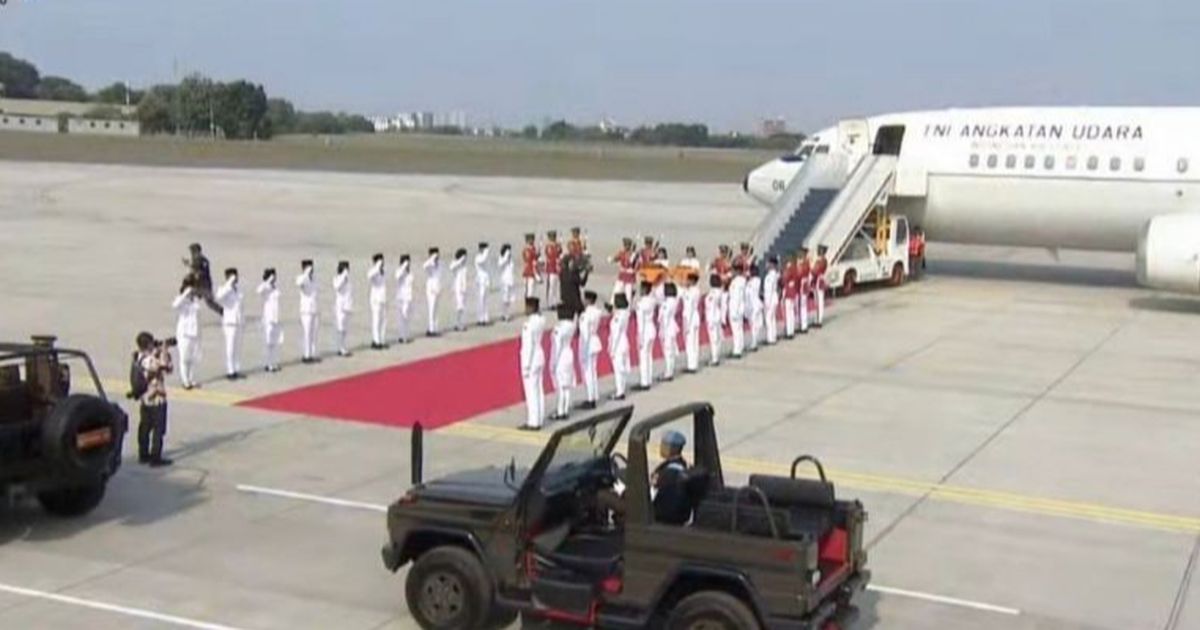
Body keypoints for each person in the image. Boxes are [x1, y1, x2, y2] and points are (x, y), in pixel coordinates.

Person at [134, 332, 174, 467]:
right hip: (156, 398)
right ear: (149, 344)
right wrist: (164, 350)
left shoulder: (138, 357)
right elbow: (167, 367)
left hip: (145, 399)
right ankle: (155, 457)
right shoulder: (149, 360)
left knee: (145, 427)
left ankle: (143, 454)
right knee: (158, 429)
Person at [518, 297, 546, 431]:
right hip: (540, 356)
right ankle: (539, 418)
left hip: (532, 359)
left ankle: (533, 421)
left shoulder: (528, 325)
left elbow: (528, 346)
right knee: (539, 390)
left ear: (531, 308)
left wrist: (526, 366)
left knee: (531, 392)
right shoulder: (540, 320)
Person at [651, 430, 691, 524]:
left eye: (664, 444)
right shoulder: (682, 466)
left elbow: (653, 491)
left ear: (672, 448)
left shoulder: (670, 472)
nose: (661, 447)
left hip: (662, 517)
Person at [172, 277, 203, 389]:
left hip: (195, 332)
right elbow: (175, 305)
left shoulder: (195, 300)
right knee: (184, 358)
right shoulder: (181, 299)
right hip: (184, 333)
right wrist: (185, 293)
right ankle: (185, 381)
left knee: (193, 358)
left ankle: (191, 379)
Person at [214, 267, 244, 380]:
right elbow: (219, 297)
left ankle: (236, 369)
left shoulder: (238, 289)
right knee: (230, 347)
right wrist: (229, 284)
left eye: (236, 276)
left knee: (237, 347)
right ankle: (230, 370)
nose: (236, 278)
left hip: (238, 321)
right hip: (229, 322)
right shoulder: (224, 289)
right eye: (233, 276)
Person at [550, 304, 577, 421]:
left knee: (561, 386)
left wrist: (552, 363)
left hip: (561, 357)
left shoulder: (559, 328)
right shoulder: (572, 325)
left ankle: (560, 411)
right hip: (569, 354)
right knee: (567, 385)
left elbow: (556, 347)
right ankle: (565, 409)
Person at [182, 242, 223, 316]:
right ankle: (223, 312)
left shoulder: (198, 259)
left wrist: (188, 265)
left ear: (196, 251)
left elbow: (197, 271)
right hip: (206, 284)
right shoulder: (203, 259)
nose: (191, 253)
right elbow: (197, 268)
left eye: (192, 251)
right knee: (210, 303)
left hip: (201, 285)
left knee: (188, 295)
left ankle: (189, 315)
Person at [579, 291, 603, 409]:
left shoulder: (586, 315)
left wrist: (583, 351)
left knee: (588, 373)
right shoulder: (597, 312)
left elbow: (585, 333)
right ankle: (594, 395)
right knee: (593, 372)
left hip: (588, 345)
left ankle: (590, 398)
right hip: (595, 341)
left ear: (588, 300)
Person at [256, 268, 283, 372]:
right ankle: (268, 363)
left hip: (276, 317)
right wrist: (267, 282)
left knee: (275, 342)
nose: (275, 278)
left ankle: (274, 363)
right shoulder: (265, 287)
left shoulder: (275, 288)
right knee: (268, 342)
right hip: (269, 318)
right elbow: (259, 290)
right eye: (273, 275)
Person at [607, 294, 632, 400]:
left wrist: (612, 348)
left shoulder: (618, 317)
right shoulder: (625, 313)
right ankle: (621, 388)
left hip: (618, 345)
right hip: (624, 342)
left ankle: (619, 392)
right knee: (622, 368)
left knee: (618, 369)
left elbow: (615, 334)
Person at [296, 259, 320, 363]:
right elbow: (299, 283)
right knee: (307, 333)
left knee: (313, 333)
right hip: (306, 310)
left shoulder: (313, 278)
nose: (312, 269)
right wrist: (306, 273)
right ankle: (306, 356)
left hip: (314, 309)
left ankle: (312, 354)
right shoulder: (302, 278)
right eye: (309, 267)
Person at [635, 281, 657, 390]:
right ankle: (649, 378)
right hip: (651, 328)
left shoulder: (641, 304)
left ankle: (644, 382)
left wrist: (640, 337)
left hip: (645, 331)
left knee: (643, 357)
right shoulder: (652, 300)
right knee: (649, 356)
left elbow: (640, 322)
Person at [659, 282, 680, 381]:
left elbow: (665, 318)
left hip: (667, 329)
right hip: (672, 327)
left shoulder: (667, 303)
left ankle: (668, 373)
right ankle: (670, 370)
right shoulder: (674, 300)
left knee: (668, 351)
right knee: (670, 351)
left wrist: (663, 331)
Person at [332, 260, 354, 357]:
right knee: (340, 328)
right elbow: (337, 287)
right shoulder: (337, 278)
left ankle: (343, 347)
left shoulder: (348, 279)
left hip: (347, 306)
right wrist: (343, 276)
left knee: (345, 329)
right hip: (340, 307)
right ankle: (340, 348)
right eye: (346, 268)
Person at [367, 253, 388, 350]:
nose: (382, 262)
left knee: (383, 321)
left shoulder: (383, 271)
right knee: (376, 320)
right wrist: (377, 267)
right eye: (380, 260)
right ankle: (376, 341)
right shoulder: (373, 271)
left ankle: (382, 340)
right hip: (375, 300)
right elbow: (369, 276)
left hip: (383, 299)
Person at [682, 272, 702, 373]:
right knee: (695, 342)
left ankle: (691, 365)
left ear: (692, 281)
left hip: (690, 318)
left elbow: (689, 308)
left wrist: (687, 324)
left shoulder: (692, 292)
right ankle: (694, 363)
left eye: (688, 280)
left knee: (690, 342)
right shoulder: (695, 290)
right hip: (695, 317)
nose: (687, 281)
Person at [727, 263, 747, 358]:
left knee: (736, 330)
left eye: (733, 270)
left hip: (736, 308)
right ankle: (740, 346)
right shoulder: (740, 281)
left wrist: (735, 311)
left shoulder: (738, 282)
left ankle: (737, 350)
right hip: (738, 307)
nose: (732, 272)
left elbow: (737, 298)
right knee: (739, 329)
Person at [704, 274, 724, 366]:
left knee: (713, 338)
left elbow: (710, 306)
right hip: (718, 316)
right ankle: (717, 355)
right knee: (718, 337)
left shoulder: (712, 294)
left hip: (712, 317)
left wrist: (709, 319)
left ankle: (714, 358)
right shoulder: (720, 292)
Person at [394, 254, 414, 343]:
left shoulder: (410, 273)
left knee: (407, 317)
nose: (408, 264)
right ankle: (402, 336)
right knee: (402, 317)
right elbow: (397, 276)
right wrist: (403, 267)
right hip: (401, 297)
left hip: (408, 297)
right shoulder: (399, 271)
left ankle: (405, 335)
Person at [610, 237, 636, 302]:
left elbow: (632, 262)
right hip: (622, 275)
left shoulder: (633, 254)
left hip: (629, 276)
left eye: (627, 245)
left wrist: (632, 253)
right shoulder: (621, 252)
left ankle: (628, 306)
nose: (626, 246)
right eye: (625, 245)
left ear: (630, 246)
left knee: (628, 293)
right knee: (616, 290)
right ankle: (612, 304)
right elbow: (615, 259)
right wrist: (612, 259)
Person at [449, 248, 469, 332]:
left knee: (463, 307)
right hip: (458, 288)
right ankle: (457, 324)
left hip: (463, 288)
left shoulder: (464, 266)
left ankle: (460, 323)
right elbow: (451, 267)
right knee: (459, 306)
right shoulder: (455, 263)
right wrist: (460, 260)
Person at [423, 247, 442, 336]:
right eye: (435, 254)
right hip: (431, 290)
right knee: (431, 310)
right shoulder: (429, 265)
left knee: (436, 310)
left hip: (437, 289)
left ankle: (435, 328)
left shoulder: (439, 264)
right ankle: (431, 330)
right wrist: (432, 259)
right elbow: (424, 266)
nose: (437, 256)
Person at [762, 257, 780, 345]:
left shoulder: (770, 276)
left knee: (769, 319)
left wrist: (767, 302)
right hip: (774, 299)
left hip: (771, 299)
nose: (766, 265)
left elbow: (769, 290)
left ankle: (770, 338)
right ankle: (773, 336)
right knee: (772, 319)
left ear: (772, 264)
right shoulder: (775, 274)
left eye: (768, 263)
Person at [746, 263, 764, 352]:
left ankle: (754, 343)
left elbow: (748, 294)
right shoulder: (755, 280)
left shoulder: (753, 281)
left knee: (754, 325)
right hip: (755, 304)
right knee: (756, 325)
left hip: (753, 305)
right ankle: (755, 342)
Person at [544, 230, 562, 310]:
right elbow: (551, 255)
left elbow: (559, 254)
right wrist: (557, 250)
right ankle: (549, 303)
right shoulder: (549, 246)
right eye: (551, 237)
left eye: (554, 237)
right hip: (551, 268)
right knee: (551, 286)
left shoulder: (557, 245)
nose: (553, 239)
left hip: (556, 268)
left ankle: (554, 302)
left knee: (555, 286)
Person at [474, 242, 492, 326]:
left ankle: (485, 317)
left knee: (486, 300)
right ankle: (480, 318)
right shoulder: (478, 257)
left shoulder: (486, 257)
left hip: (486, 280)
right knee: (481, 300)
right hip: (480, 280)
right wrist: (486, 252)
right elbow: (482, 261)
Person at [782, 255, 799, 339]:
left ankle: (789, 332)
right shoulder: (795, 268)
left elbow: (785, 278)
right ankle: (791, 330)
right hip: (793, 291)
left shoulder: (789, 268)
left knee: (788, 313)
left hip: (788, 291)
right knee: (791, 312)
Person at [497, 243, 515, 321]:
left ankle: (506, 313)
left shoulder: (511, 260)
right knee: (505, 298)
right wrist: (505, 258)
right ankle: (504, 314)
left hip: (510, 280)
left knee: (509, 299)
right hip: (504, 281)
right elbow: (500, 265)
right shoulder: (501, 258)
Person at [813, 245, 829, 328]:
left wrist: (813, 271)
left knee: (820, 301)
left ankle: (820, 320)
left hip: (820, 281)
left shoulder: (823, 261)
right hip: (816, 281)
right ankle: (817, 318)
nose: (819, 252)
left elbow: (817, 270)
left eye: (820, 250)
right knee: (817, 302)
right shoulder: (819, 260)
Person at [797, 248, 812, 334]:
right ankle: (802, 324)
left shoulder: (805, 263)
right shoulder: (805, 262)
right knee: (802, 306)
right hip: (803, 284)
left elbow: (800, 274)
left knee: (803, 306)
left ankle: (804, 326)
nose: (799, 255)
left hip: (802, 284)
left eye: (801, 253)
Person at [521, 233, 540, 299]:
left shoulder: (532, 249)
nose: (532, 241)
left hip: (530, 270)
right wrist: (536, 255)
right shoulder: (528, 250)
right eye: (531, 240)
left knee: (530, 288)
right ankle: (529, 303)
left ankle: (528, 301)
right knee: (530, 288)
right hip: (530, 270)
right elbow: (531, 260)